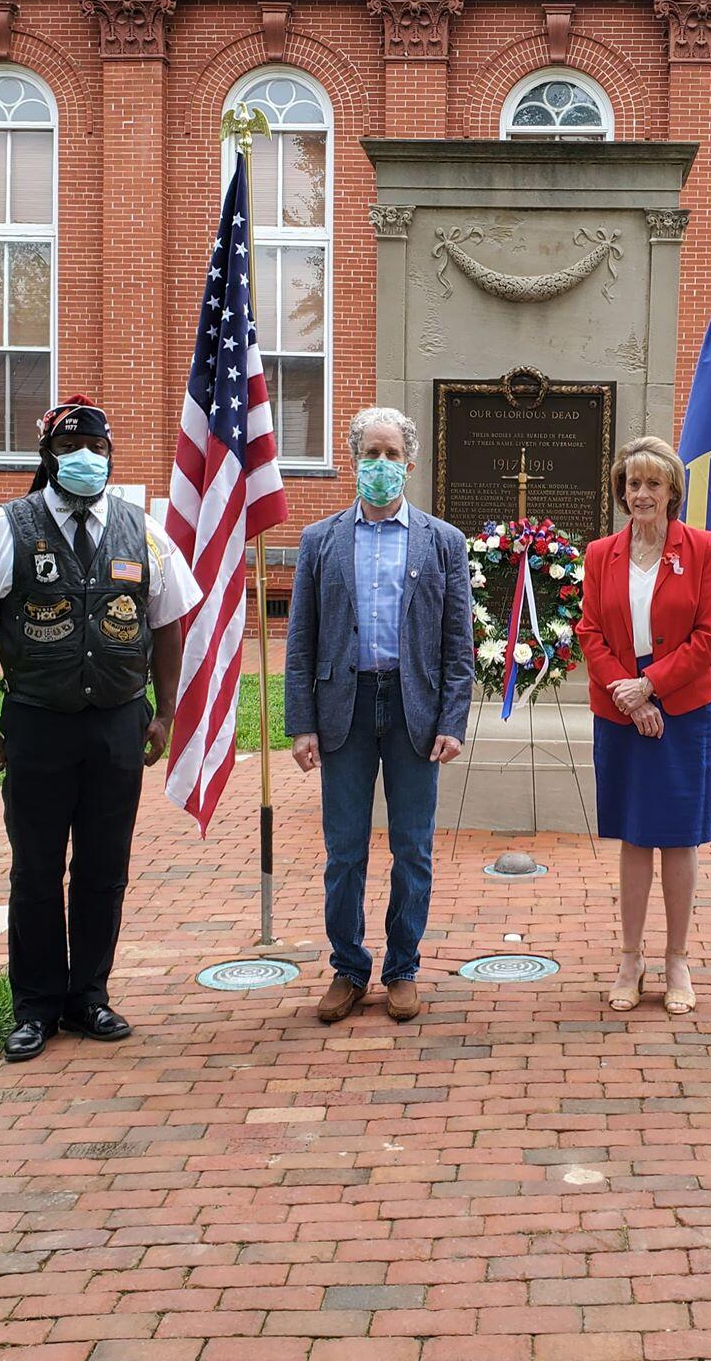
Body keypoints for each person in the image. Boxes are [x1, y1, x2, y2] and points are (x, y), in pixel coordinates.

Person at [0, 395, 201, 1063]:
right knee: (36, 869)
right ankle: (35, 1006)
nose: (86, 459)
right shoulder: (5, 527)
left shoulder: (143, 530)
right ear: (49, 457)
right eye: (71, 448)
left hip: (116, 724)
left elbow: (167, 624)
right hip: (37, 724)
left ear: (111, 456)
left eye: (99, 449)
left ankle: (90, 996)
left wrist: (164, 713)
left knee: (104, 869)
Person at [284, 406, 472, 1025]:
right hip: (346, 709)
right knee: (345, 849)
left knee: (413, 848)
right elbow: (302, 641)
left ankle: (402, 968)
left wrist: (452, 719)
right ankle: (347, 966)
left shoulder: (443, 542)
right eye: (371, 453)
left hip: (414, 708)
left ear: (410, 464)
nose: (382, 465)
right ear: (354, 460)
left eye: (393, 455)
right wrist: (301, 722)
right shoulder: (321, 541)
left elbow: (456, 644)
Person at [575, 436, 711, 1017]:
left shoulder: (704, 548)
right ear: (623, 492)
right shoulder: (600, 553)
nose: (641, 494)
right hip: (620, 706)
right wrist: (630, 694)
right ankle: (630, 958)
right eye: (632, 484)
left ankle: (677, 959)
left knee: (679, 835)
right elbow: (589, 632)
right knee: (636, 834)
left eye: (653, 485)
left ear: (672, 492)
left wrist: (654, 686)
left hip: (684, 710)